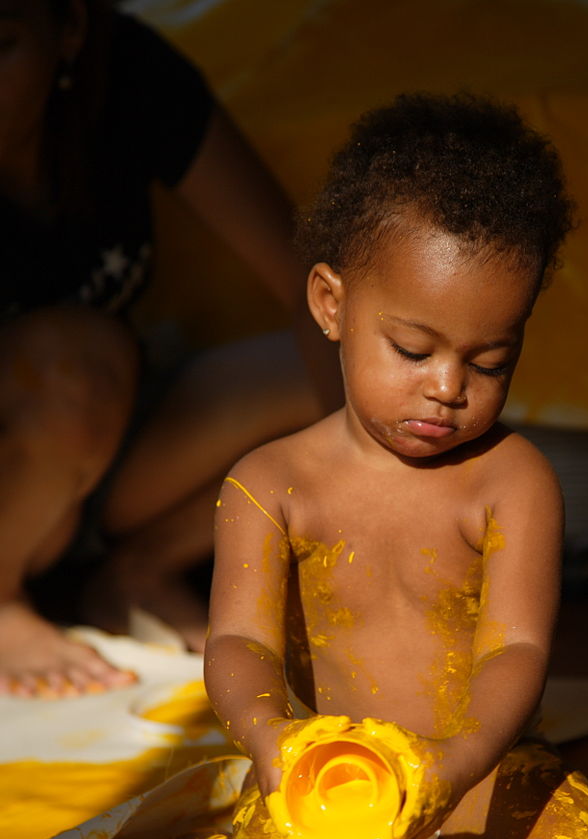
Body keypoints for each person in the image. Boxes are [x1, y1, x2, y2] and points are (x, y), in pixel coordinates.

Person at [200, 92, 588, 839]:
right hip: (325, 784)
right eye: (414, 351)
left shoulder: (510, 480)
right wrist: (272, 743)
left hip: (476, 778)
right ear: (331, 305)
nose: (448, 388)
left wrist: (458, 764)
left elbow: (517, 647)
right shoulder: (270, 482)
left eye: (491, 361)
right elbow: (240, 643)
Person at [0, 0, 341, 699]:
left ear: (68, 29)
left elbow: (306, 280)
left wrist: (374, 516)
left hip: (100, 457)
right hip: (36, 455)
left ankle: (137, 569)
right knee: (73, 363)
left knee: (365, 365)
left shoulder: (130, 77)